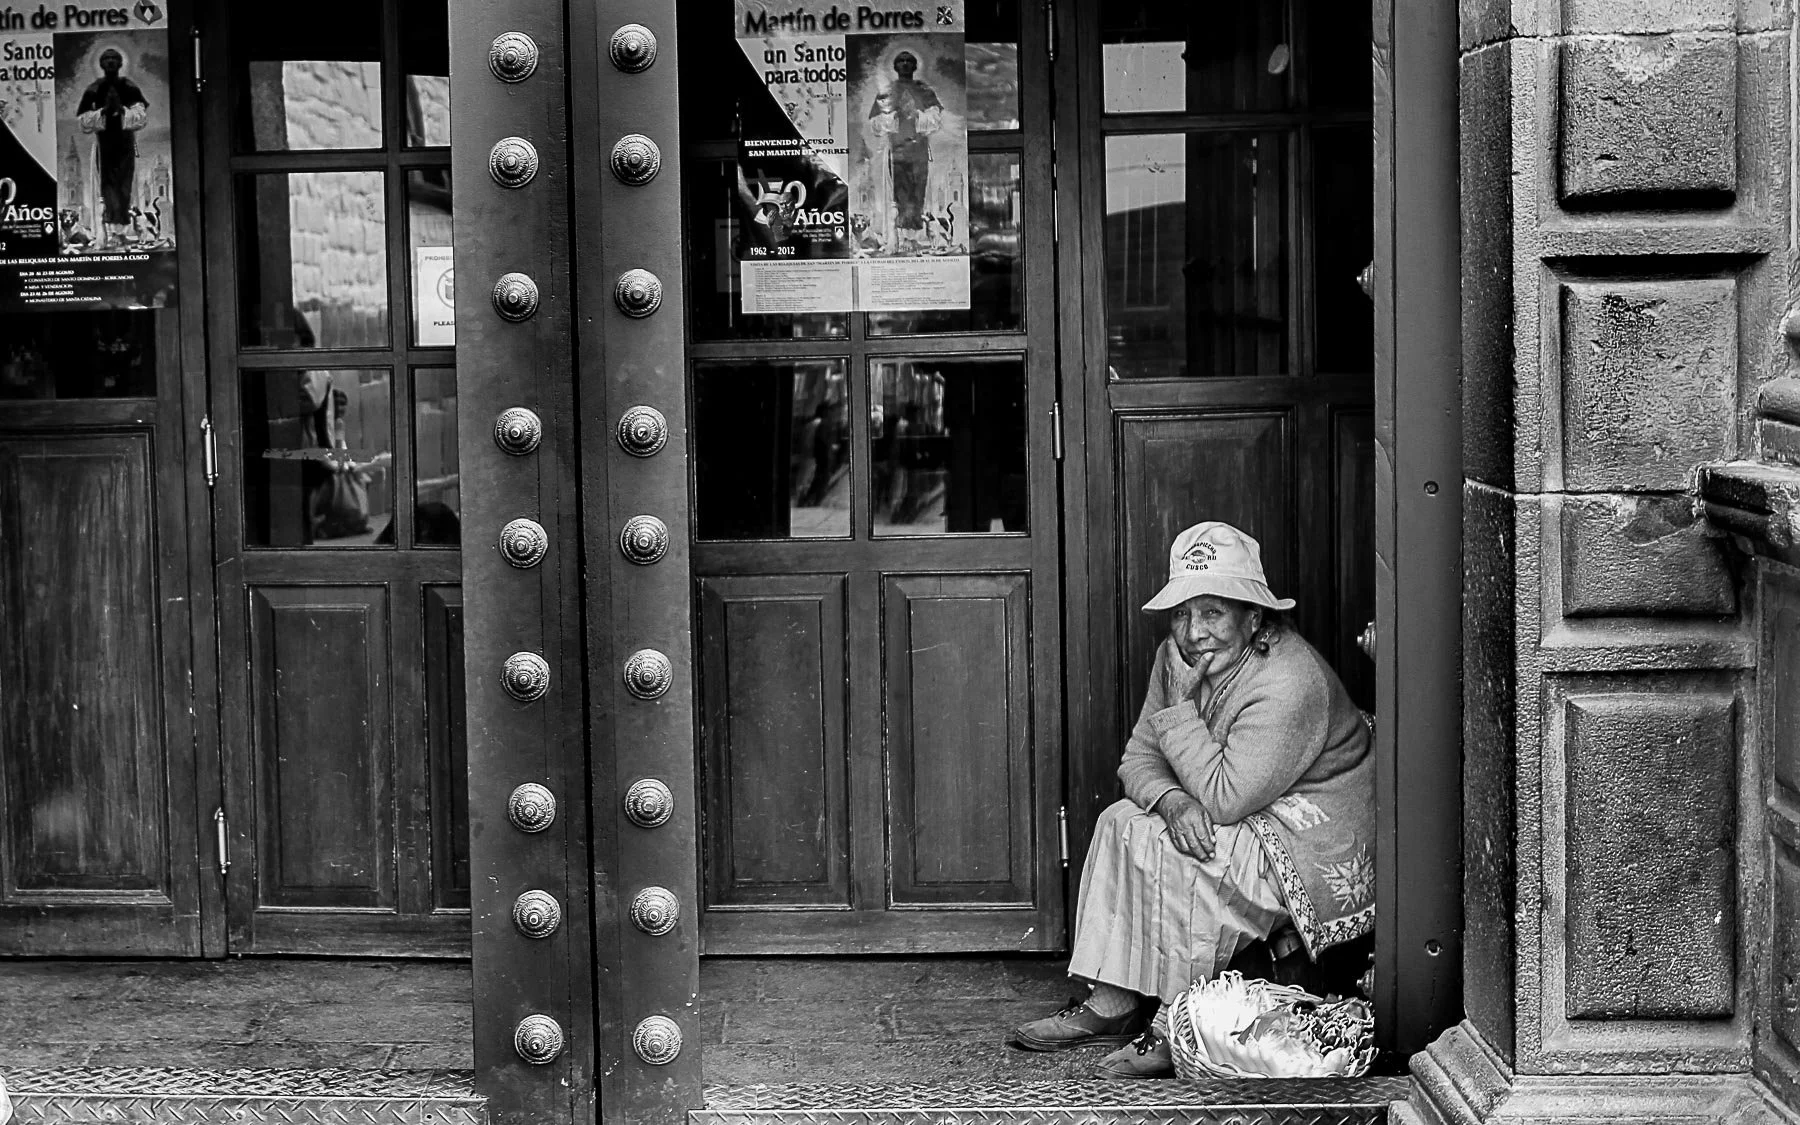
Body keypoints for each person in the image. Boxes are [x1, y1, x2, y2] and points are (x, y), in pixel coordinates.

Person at [1011, 521, 1375, 1078]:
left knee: (1190, 855)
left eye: (1212, 612)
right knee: (1120, 821)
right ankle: (1113, 1002)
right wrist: (1171, 801)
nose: (1193, 632)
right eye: (1182, 613)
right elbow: (1137, 760)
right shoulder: (1174, 659)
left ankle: (1175, 1028)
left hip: (1310, 830)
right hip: (1233, 803)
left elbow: (1226, 799)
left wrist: (1181, 718)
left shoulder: (1289, 681)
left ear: (1253, 617)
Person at [75, 48, 150, 249]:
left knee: (126, 188)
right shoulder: (94, 88)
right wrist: (104, 112)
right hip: (103, 146)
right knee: (106, 188)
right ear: (100, 64)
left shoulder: (129, 87)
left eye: (113, 59)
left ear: (120, 63)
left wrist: (122, 111)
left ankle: (126, 232)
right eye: (106, 59)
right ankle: (106, 233)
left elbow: (141, 116)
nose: (110, 62)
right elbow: (83, 121)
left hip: (126, 144)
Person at [866, 51, 941, 246]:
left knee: (918, 193)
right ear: (896, 66)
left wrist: (917, 115)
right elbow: (875, 124)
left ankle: (917, 238)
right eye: (901, 61)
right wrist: (893, 117)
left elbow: (935, 119)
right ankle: (897, 237)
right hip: (896, 152)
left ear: (915, 66)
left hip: (919, 151)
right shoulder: (887, 91)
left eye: (909, 61)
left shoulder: (924, 91)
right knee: (899, 195)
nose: (905, 64)